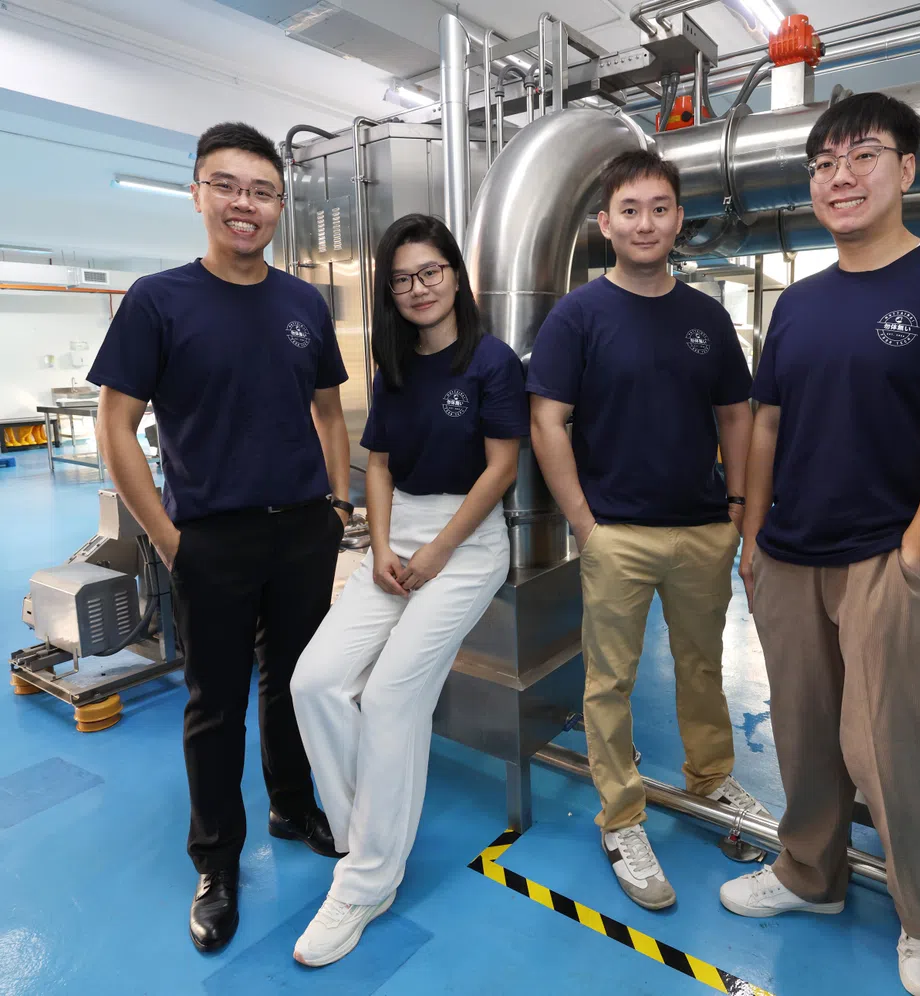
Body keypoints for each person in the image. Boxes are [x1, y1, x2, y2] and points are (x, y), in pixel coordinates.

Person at [718, 92, 920, 996]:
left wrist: (912, 556)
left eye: (861, 156)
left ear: (905, 170)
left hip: (892, 559)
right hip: (790, 555)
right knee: (804, 733)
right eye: (823, 164)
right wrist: (755, 537)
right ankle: (809, 876)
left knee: (892, 748)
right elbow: (767, 426)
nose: (839, 176)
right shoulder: (801, 303)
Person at [90, 122, 352, 953]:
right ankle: (218, 861)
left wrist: (338, 504)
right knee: (215, 705)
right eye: (227, 186)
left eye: (262, 190)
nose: (245, 204)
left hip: (303, 530)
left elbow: (329, 411)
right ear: (199, 193)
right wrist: (170, 540)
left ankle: (291, 800)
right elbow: (116, 425)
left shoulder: (305, 302)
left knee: (294, 683)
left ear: (280, 203)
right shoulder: (159, 301)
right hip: (210, 540)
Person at [527, 149, 769, 912]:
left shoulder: (704, 318)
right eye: (629, 209)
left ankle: (711, 782)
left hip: (701, 529)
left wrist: (736, 509)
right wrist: (583, 524)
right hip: (616, 535)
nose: (645, 222)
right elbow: (547, 421)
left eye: (659, 208)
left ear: (678, 220)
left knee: (703, 668)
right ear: (605, 223)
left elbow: (737, 414)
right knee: (611, 684)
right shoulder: (578, 316)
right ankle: (622, 817)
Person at [289, 214, 525, 966]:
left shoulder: (492, 362)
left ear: (455, 275)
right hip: (397, 540)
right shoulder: (393, 367)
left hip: (469, 541)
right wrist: (384, 546)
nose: (418, 288)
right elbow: (380, 466)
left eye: (430, 272)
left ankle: (365, 882)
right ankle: (368, 835)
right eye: (402, 278)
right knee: (314, 681)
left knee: (393, 697)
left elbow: (502, 470)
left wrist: (437, 552)